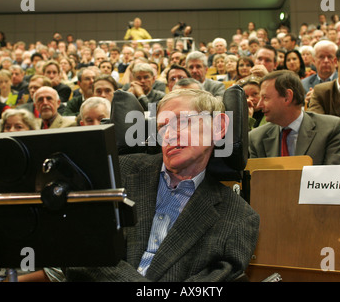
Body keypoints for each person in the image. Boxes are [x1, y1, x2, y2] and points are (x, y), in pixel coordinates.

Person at [64, 88, 260, 282]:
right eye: (163, 127)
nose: (169, 134)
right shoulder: (117, 172)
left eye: (182, 121)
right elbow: (79, 248)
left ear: (218, 127)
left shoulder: (240, 218)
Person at [248, 70, 340, 165]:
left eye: (265, 98)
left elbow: (335, 178)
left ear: (287, 97)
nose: (259, 105)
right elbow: (257, 181)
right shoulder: (257, 138)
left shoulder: (330, 128)